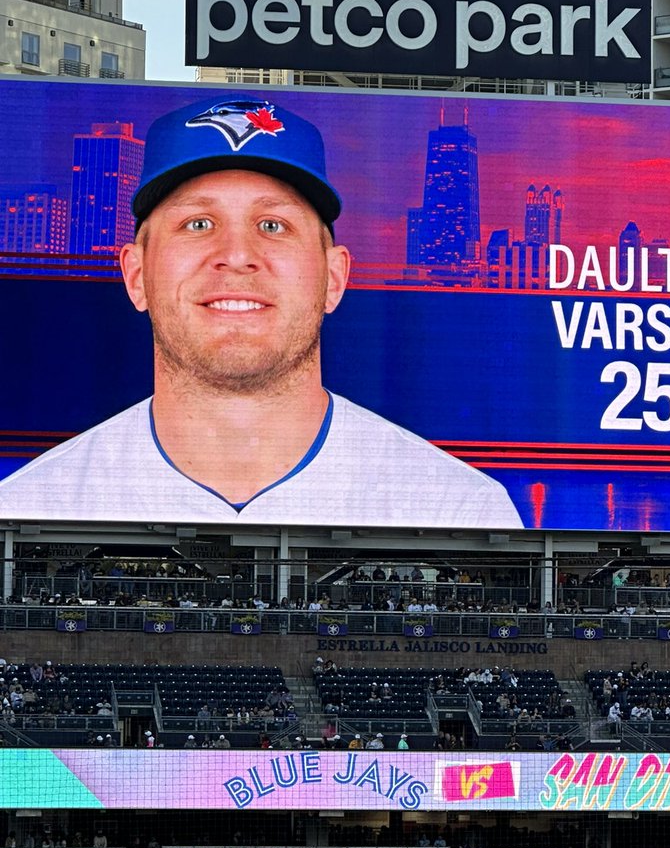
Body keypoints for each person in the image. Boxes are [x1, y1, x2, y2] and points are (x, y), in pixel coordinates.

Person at [0, 95, 523, 530]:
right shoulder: (30, 509)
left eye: (273, 225)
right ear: (136, 275)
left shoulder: (459, 511)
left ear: (333, 279)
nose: (237, 254)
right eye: (198, 224)